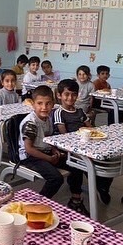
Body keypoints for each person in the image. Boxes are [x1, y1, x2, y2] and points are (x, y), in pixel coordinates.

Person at [19, 85, 88, 215]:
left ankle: (76, 201)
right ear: (33, 104)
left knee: (77, 164)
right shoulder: (31, 122)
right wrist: (49, 158)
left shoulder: (48, 118)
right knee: (56, 178)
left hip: (45, 152)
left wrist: (54, 149)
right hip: (30, 157)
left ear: (53, 104)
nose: (44, 107)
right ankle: (37, 205)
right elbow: (29, 149)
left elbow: (47, 137)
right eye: (40, 104)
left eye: (48, 103)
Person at [53, 79, 112, 205]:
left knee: (107, 160)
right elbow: (64, 135)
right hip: (68, 148)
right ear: (59, 95)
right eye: (66, 94)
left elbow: (90, 127)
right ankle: (76, 197)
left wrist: (94, 136)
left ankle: (102, 187)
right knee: (79, 165)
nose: (70, 98)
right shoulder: (59, 112)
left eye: (74, 94)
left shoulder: (79, 111)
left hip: (86, 145)